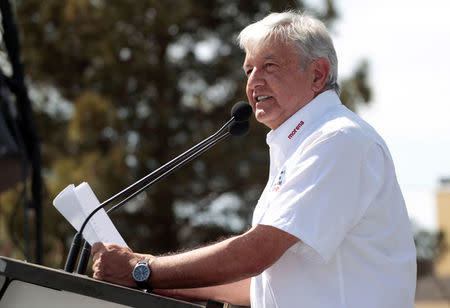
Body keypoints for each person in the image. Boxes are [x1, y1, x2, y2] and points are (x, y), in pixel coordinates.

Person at [91, 11, 417, 307]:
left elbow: (256, 253)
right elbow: (258, 285)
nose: (253, 82)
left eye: (270, 66)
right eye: (249, 69)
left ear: (318, 75)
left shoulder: (336, 139)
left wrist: (142, 270)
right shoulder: (304, 142)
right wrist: (148, 277)